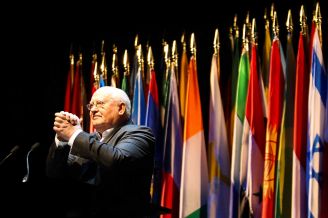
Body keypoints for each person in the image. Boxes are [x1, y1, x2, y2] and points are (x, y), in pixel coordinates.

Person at [46, 86, 155, 218]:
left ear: (121, 108)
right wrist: (62, 140)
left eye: (100, 104)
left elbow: (117, 159)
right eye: (91, 105)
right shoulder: (89, 139)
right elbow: (56, 173)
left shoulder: (139, 133)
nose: (93, 109)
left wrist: (75, 134)